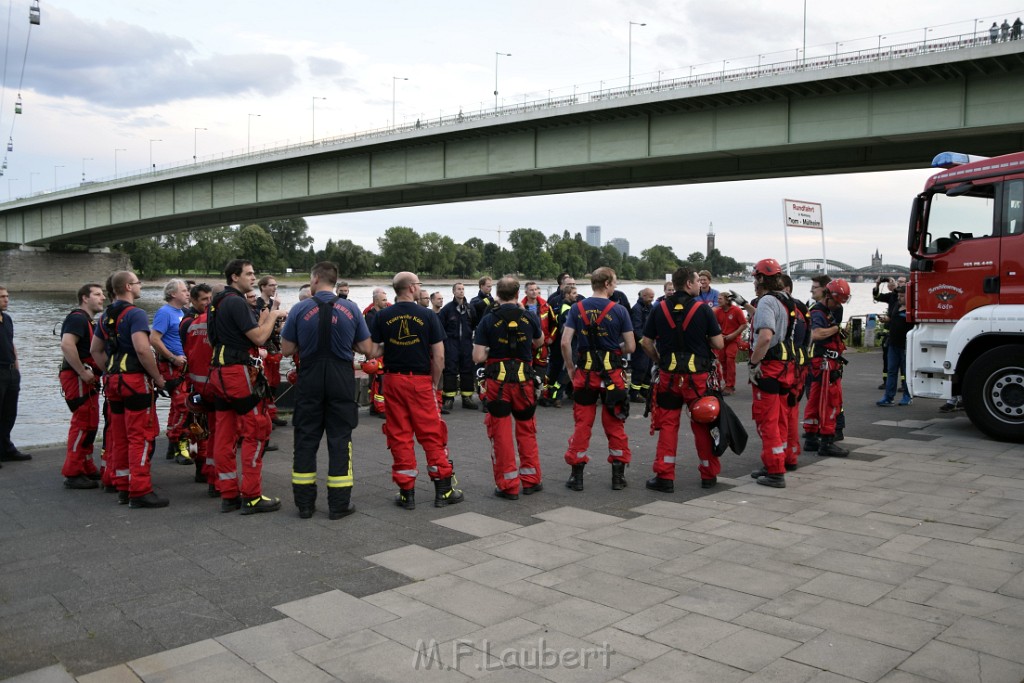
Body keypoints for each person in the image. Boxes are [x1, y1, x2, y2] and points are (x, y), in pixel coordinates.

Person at [281, 262, 375, 520]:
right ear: (334, 282)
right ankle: (338, 504)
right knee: (340, 439)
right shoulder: (351, 308)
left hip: (310, 377)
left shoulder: (300, 309)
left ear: (314, 280)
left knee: (305, 439)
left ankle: (305, 505)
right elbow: (367, 347)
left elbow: (287, 349)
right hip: (340, 378)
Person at [369, 272, 463, 510]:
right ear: (411, 288)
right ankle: (443, 490)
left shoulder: (382, 315)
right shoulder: (428, 315)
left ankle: (406, 493)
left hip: (392, 380)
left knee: (399, 435)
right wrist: (434, 382)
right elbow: (439, 355)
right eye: (419, 284)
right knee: (432, 433)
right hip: (419, 380)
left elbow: (374, 349)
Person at [208, 259, 288, 515]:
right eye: (249, 274)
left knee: (224, 432)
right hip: (238, 373)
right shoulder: (236, 301)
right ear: (234, 277)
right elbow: (259, 337)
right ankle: (252, 496)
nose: (253, 278)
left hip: (218, 372)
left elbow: (215, 338)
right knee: (256, 429)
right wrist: (274, 314)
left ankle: (228, 493)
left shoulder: (216, 303)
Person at [90, 271, 169, 507]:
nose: (140, 286)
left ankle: (123, 486)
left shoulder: (105, 317)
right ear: (127, 286)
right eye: (137, 283)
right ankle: (140, 490)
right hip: (134, 381)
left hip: (113, 381)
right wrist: (158, 378)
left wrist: (110, 370)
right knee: (140, 436)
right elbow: (143, 350)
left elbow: (95, 349)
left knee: (120, 435)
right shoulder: (135, 314)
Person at [641, 267, 724, 491]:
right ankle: (708, 474)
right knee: (702, 423)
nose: (700, 285)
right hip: (697, 378)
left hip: (668, 377)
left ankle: (665, 477)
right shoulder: (704, 310)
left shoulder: (659, 309)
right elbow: (719, 344)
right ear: (688, 284)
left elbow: (646, 343)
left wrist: (659, 361)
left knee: (668, 425)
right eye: (697, 281)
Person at [561, 267, 635, 491]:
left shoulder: (577, 308)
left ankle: (577, 477)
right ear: (606, 284)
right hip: (612, 375)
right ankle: (618, 477)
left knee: (582, 423)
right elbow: (631, 346)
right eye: (614, 283)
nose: (615, 287)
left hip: (585, 375)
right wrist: (613, 351)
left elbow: (565, 343)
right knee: (615, 423)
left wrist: (571, 368)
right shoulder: (620, 311)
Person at [473, 276, 544, 500]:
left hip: (498, 384)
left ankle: (508, 485)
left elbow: (477, 356)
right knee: (527, 430)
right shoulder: (529, 317)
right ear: (517, 294)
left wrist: (492, 350)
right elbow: (540, 343)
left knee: (501, 434)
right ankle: (531, 480)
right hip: (524, 383)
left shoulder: (488, 320)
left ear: (497, 294)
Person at [746, 259, 798, 489]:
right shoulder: (787, 300)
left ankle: (775, 471)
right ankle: (775, 462)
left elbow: (766, 336)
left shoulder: (767, 300)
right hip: (786, 368)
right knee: (780, 418)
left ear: (759, 278)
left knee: (767, 420)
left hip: (769, 368)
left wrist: (753, 362)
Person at [58, 283, 106, 488]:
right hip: (79, 377)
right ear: (85, 298)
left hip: (87, 378)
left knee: (91, 423)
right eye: (97, 294)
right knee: (82, 423)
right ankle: (73, 471)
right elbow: (67, 344)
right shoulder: (77, 318)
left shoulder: (86, 320)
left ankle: (85, 465)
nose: (102, 297)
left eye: (103, 294)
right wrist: (82, 371)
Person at [803, 278, 851, 458]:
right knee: (830, 402)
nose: (838, 306)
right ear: (829, 296)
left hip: (821, 364)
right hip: (825, 365)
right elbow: (815, 334)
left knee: (814, 401)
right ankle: (827, 441)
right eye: (837, 302)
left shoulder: (825, 311)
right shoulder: (818, 312)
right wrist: (836, 329)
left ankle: (811, 438)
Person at [180, 283, 217, 493]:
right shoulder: (189, 322)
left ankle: (204, 469)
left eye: (210, 298)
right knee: (198, 431)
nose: (208, 303)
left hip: (200, 382)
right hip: (198, 383)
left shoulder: (195, 321)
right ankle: (201, 468)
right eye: (204, 299)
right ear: (193, 301)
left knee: (203, 430)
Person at [151, 279, 191, 464]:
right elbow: (154, 339)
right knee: (183, 404)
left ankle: (173, 443)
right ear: (173, 294)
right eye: (184, 291)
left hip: (183, 365)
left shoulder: (182, 313)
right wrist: (173, 357)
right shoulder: (165, 312)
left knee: (178, 405)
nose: (187, 293)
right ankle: (177, 441)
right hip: (172, 365)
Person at [438, 282, 477, 412]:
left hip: (466, 343)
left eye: (462, 289)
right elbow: (440, 328)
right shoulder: (447, 309)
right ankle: (449, 399)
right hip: (451, 343)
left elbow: (475, 325)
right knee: (450, 370)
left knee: (467, 369)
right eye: (458, 289)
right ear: (453, 292)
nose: (461, 291)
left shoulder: (470, 308)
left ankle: (467, 398)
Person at [256, 275, 288, 429]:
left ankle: (272, 414)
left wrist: (281, 328)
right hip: (264, 349)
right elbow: (260, 327)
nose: (275, 288)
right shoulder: (258, 304)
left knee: (274, 382)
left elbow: (274, 328)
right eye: (271, 285)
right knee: (266, 382)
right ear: (263, 287)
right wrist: (275, 308)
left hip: (275, 347)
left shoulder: (273, 303)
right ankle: (265, 416)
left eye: (276, 285)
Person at [877, 286, 913, 407]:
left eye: (902, 296)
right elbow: (891, 318)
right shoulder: (897, 306)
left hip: (906, 346)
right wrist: (885, 319)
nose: (899, 298)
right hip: (893, 344)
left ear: (909, 296)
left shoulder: (912, 309)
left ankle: (907, 396)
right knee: (891, 370)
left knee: (906, 372)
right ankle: (888, 397)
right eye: (898, 296)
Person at [362, 288, 390, 417]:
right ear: (376, 301)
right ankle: (380, 408)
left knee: (377, 381)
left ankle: (375, 406)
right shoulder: (370, 315)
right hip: (376, 351)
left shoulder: (385, 312)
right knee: (380, 380)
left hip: (383, 350)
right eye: (383, 300)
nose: (386, 302)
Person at [521, 281, 556, 379]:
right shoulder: (520, 307)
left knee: (541, 373)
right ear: (526, 292)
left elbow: (555, 324)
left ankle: (541, 393)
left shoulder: (546, 306)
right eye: (531, 290)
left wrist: (551, 338)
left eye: (536, 289)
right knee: (525, 372)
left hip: (542, 345)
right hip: (525, 345)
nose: (534, 292)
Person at [713, 290, 746, 394]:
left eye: (720, 299)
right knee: (722, 360)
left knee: (730, 359)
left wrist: (734, 334)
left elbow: (744, 324)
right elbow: (713, 325)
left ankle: (730, 385)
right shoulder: (718, 311)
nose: (718, 300)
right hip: (723, 339)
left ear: (727, 300)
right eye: (718, 298)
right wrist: (719, 334)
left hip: (734, 339)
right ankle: (727, 383)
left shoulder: (736, 310)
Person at [629, 288, 654, 402]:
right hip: (640, 345)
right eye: (650, 297)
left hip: (649, 343)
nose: (652, 299)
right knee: (640, 368)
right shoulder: (637, 309)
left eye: (653, 297)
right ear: (643, 296)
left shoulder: (650, 308)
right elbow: (636, 328)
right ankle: (634, 393)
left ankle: (645, 390)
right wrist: (643, 342)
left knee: (648, 368)